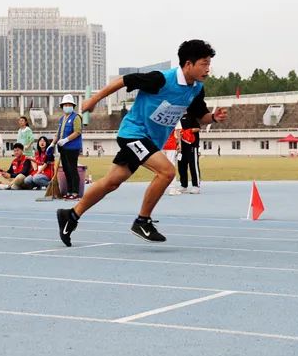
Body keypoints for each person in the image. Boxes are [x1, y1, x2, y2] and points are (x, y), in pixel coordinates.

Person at [56, 40, 226, 246]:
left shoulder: (196, 89)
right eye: (204, 63)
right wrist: (93, 100)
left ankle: (71, 215)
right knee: (167, 172)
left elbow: (201, 116)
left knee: (111, 182)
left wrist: (213, 117)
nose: (208, 69)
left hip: (150, 141)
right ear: (188, 64)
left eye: (209, 64)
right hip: (133, 133)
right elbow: (124, 81)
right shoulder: (161, 79)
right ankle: (142, 221)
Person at [54, 94, 83, 200]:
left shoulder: (76, 117)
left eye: (69, 104)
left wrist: (66, 140)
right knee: (66, 170)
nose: (67, 106)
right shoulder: (62, 119)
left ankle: (75, 192)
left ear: (73, 106)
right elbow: (58, 133)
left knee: (72, 169)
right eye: (65, 104)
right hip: (63, 148)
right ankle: (69, 190)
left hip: (72, 148)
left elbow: (78, 132)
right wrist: (53, 144)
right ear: (62, 106)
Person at [178, 127, 201, 194]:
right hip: (182, 146)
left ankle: (196, 186)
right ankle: (183, 185)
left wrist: (190, 130)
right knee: (181, 166)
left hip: (192, 145)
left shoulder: (192, 117)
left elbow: (198, 128)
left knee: (193, 165)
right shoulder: (179, 118)